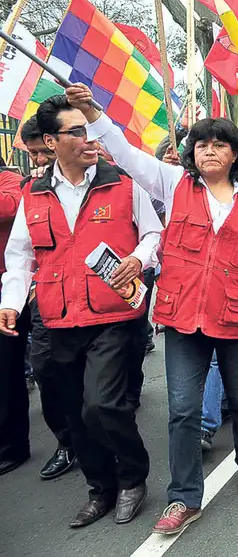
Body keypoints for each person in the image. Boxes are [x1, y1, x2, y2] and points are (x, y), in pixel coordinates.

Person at [67, 84, 238, 535]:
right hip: (182, 315)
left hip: (237, 316)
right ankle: (184, 496)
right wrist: (93, 111)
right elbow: (125, 152)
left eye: (219, 144)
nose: (209, 151)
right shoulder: (173, 185)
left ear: (234, 155)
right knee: (184, 410)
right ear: (192, 153)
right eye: (202, 144)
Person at [1, 93, 162, 528]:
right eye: (76, 131)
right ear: (52, 142)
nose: (87, 138)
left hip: (113, 315)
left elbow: (153, 234)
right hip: (57, 317)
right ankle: (100, 489)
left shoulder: (122, 183)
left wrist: (139, 258)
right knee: (74, 411)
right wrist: (11, 301)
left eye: (88, 129)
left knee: (102, 405)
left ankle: (132, 478)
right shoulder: (34, 194)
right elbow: (20, 255)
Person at [18, 116, 78, 481]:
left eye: (44, 150)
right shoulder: (32, 189)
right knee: (44, 368)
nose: (40, 158)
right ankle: (68, 443)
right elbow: (20, 252)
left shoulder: (106, 180)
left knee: (97, 384)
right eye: (34, 152)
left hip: (98, 300)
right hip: (47, 300)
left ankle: (100, 439)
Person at [0, 165, 28, 476]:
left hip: (10, 288)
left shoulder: (10, 180)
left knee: (7, 371)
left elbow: (10, 205)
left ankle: (12, 445)